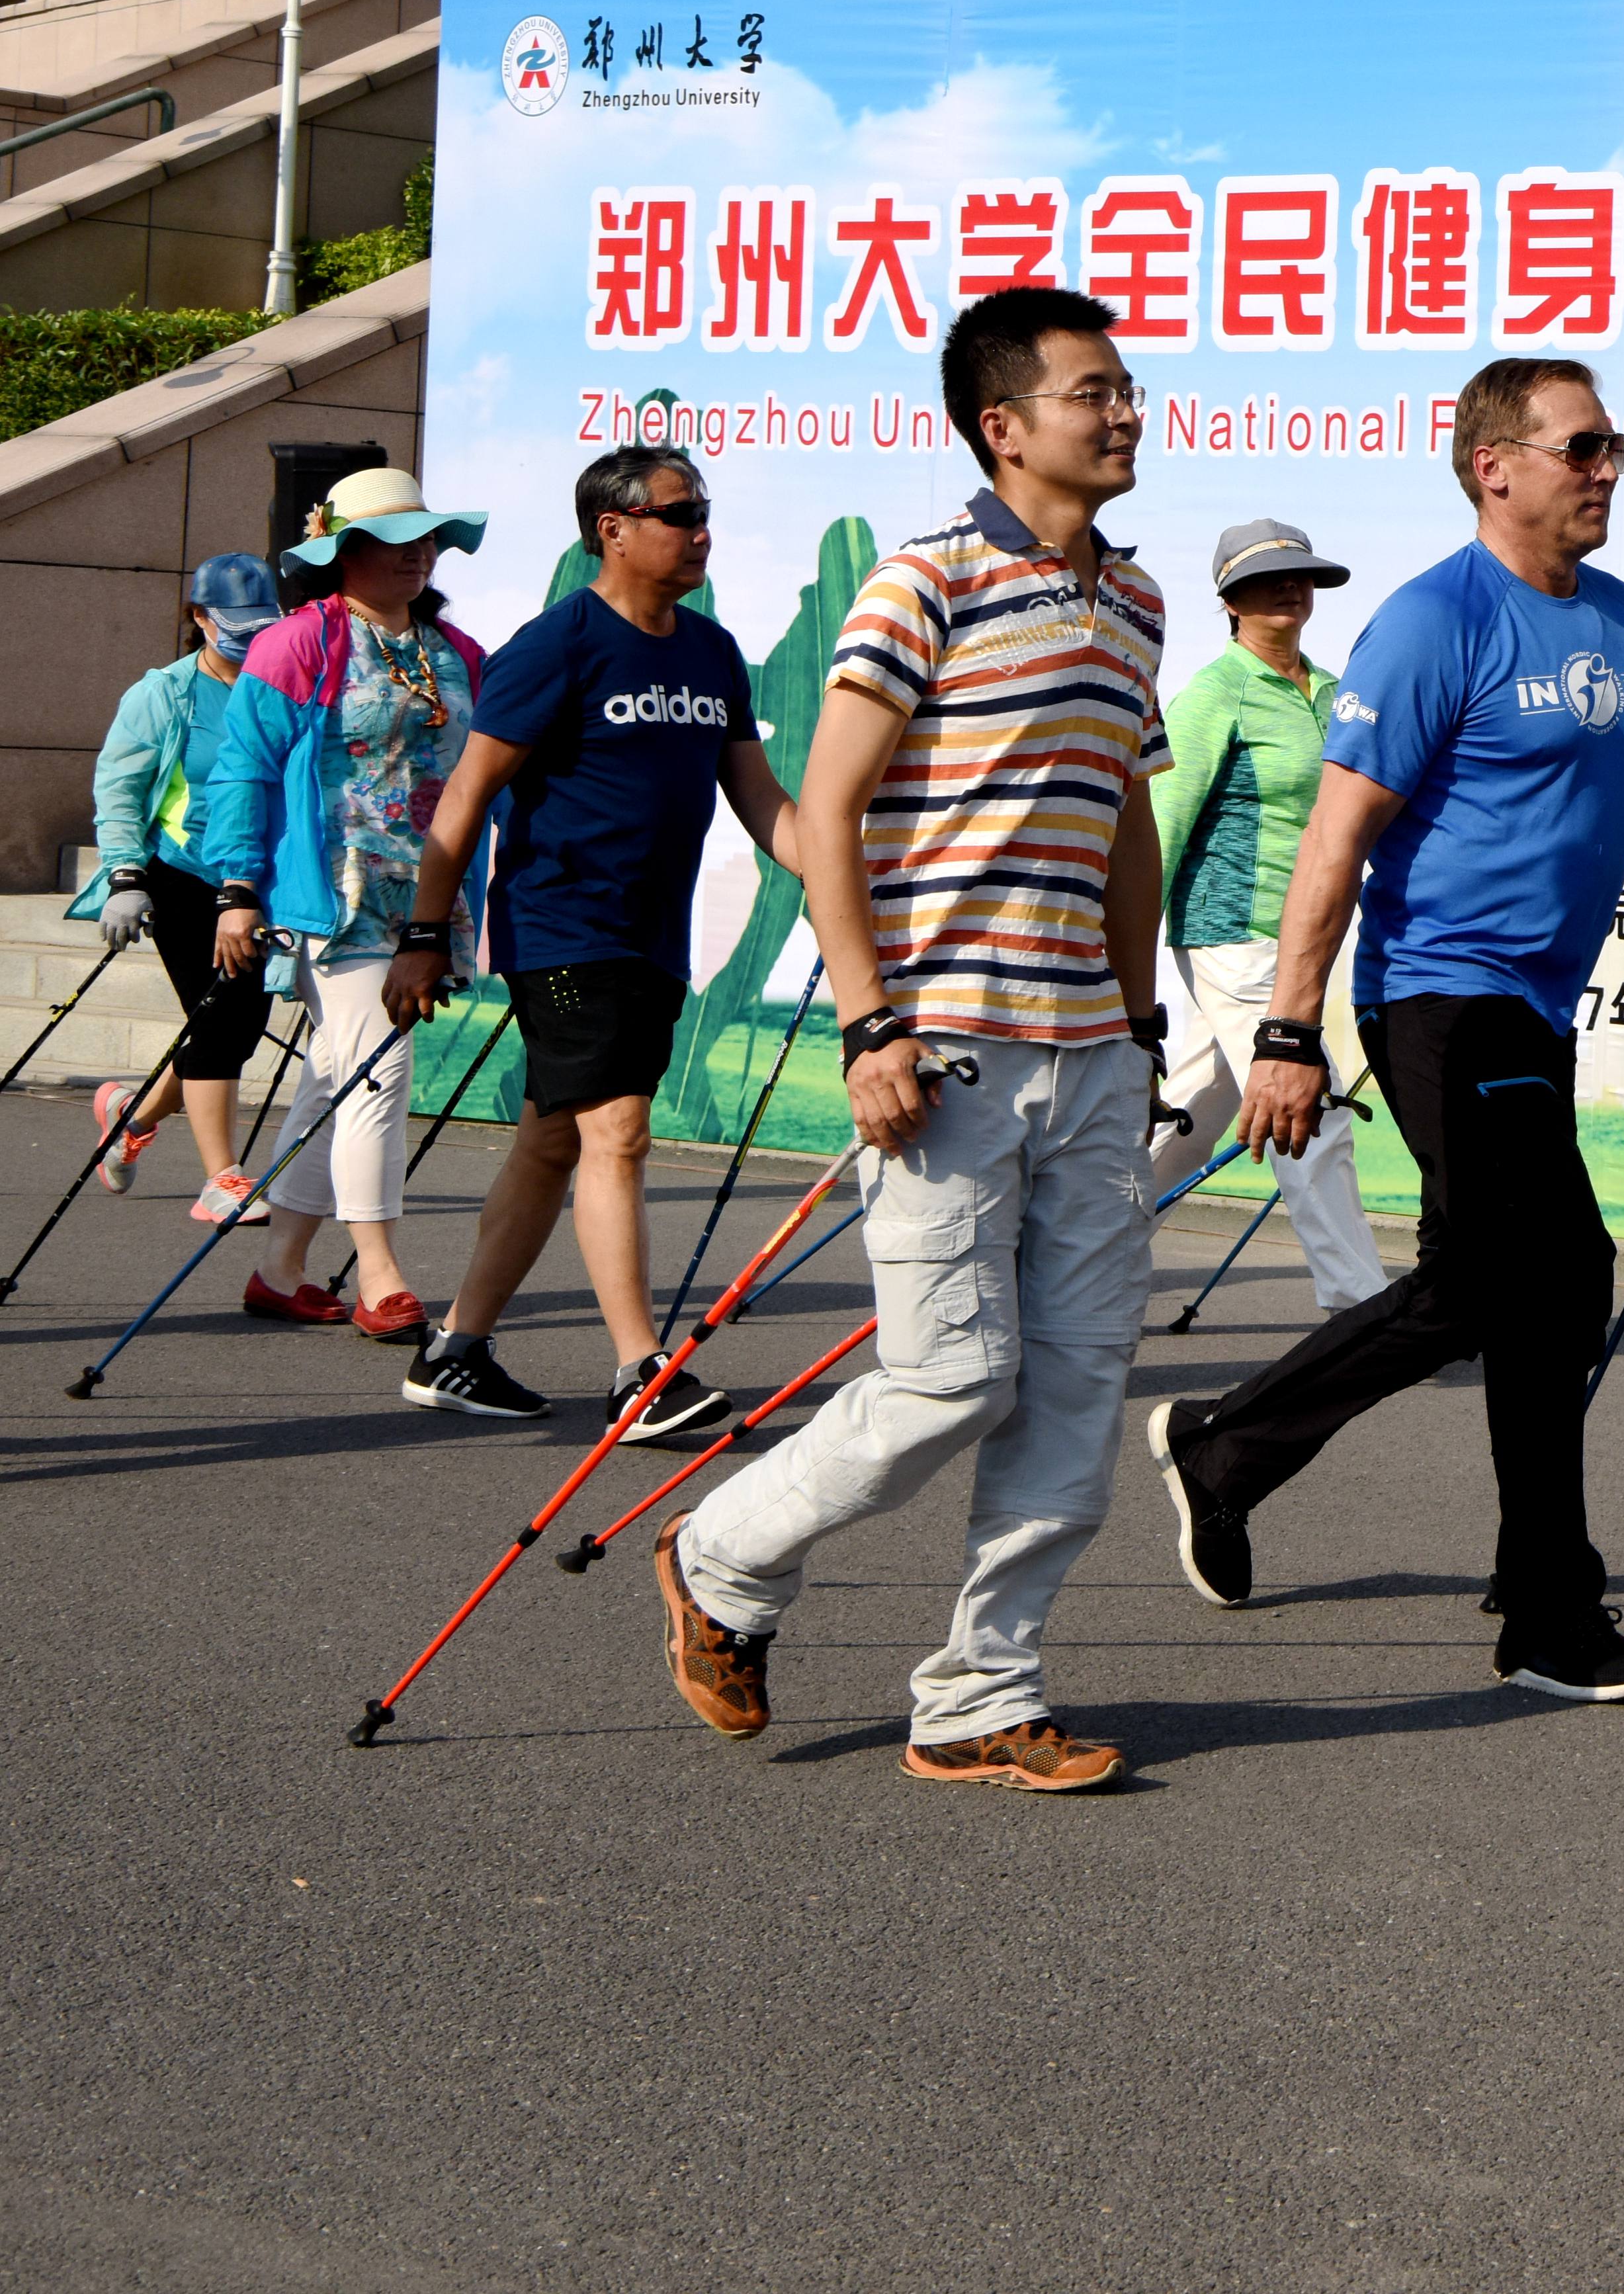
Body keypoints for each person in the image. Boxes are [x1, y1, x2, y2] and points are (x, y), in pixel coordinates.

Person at [1145, 357, 1624, 1708]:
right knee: (1556, 1274)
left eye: (1614, 444)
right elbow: (1337, 837)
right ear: (1493, 464)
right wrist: (1286, 1030)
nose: (1607, 467)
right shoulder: (1432, 621)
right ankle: (1546, 1608)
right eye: (1581, 446)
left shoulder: (1623, 618)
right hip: (1443, 995)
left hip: (1536, 1002)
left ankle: (1225, 1446)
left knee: (1477, 1286)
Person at [654, 285, 1172, 1795]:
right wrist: (867, 1019)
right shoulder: (922, 580)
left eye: (1127, 388)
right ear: (1003, 425)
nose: (1124, 412)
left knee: (1075, 1387)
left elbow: (1125, 823)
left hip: (1091, 1052)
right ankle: (723, 1555)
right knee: (949, 1375)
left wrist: (1141, 1023)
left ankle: (981, 1694)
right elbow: (824, 809)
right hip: (945, 1047)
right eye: (1093, 392)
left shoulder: (1137, 600)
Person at [381, 446, 802, 1435]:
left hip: (653, 939)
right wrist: (425, 934)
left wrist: (844, 879)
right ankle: (641, 1372)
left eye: (703, 512)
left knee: (551, 1140)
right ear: (612, 529)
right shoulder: (555, 645)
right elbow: (467, 796)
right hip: (563, 929)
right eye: (679, 514)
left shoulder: (711, 652)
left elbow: (761, 802)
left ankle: (456, 1350)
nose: (701, 531)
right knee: (619, 1133)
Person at [197, 470, 496, 1343]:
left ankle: (280, 1268)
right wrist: (237, 889)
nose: (417, 553)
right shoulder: (297, 643)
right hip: (338, 893)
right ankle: (379, 1271)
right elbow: (243, 769)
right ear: (342, 552)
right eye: (393, 538)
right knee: (379, 1068)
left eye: (426, 536)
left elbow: (492, 773)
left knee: (336, 1074)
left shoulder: (459, 650)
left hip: (433, 894)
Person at [1153, 517, 1387, 1313]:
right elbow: (1161, 830)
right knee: (1305, 1105)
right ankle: (1361, 1311)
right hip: (1234, 930)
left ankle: (1067, 1265)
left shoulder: (1334, 692)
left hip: (1306, 935)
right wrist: (1117, 976)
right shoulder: (1213, 694)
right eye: (1264, 579)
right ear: (1229, 599)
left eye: (1300, 575)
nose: (1289, 588)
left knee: (1194, 1112)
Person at [80, 554, 282, 1273]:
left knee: (236, 1023)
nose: (250, 641)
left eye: (262, 628)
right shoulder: (164, 693)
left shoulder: (279, 684)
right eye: (235, 627)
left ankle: (131, 1117)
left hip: (256, 877)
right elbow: (120, 785)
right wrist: (125, 876)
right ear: (199, 616)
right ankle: (223, 1177)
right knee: (223, 1016)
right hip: (182, 876)